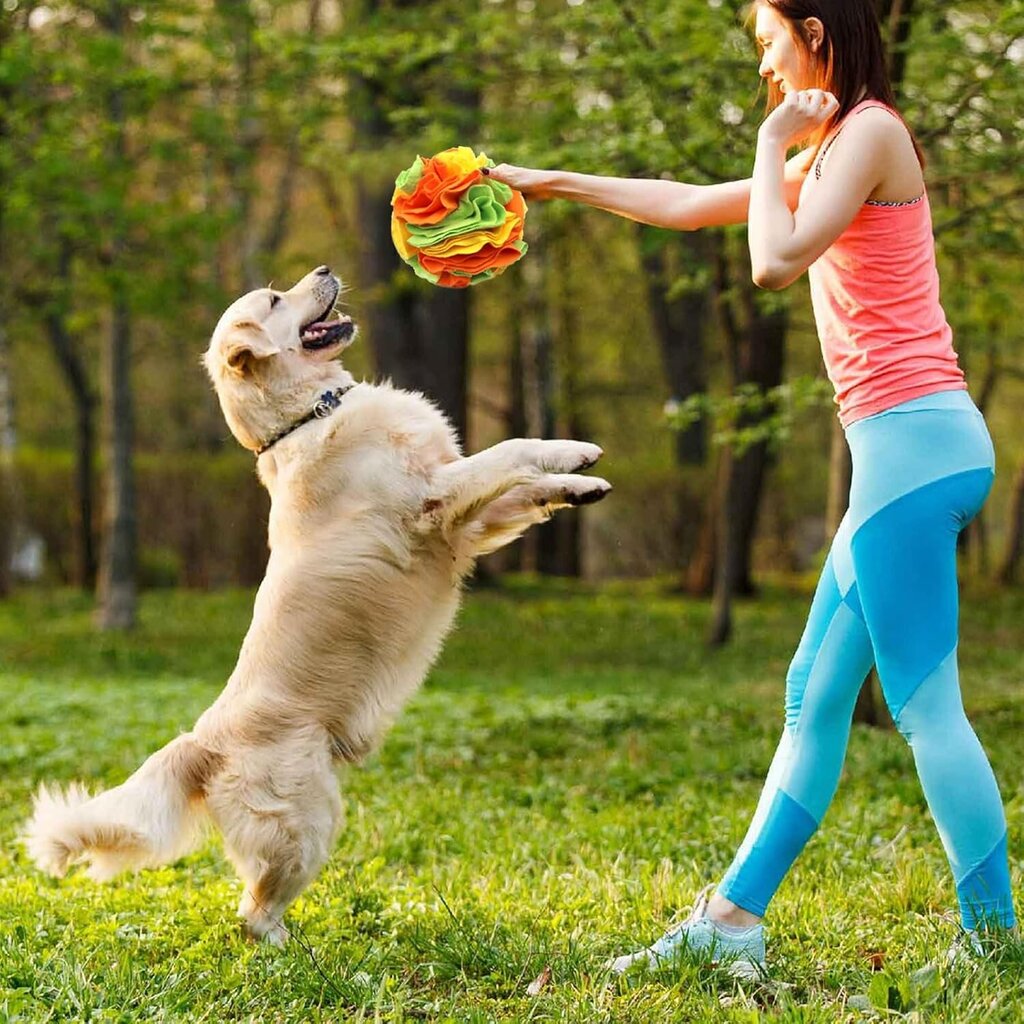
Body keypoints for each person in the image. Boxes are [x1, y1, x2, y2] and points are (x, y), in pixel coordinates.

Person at [487, 0, 1017, 978]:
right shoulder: (830, 154)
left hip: (915, 451)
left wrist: (776, 137)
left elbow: (774, 261)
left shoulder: (867, 134)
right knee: (811, 698)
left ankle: (993, 941)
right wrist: (550, 183)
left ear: (815, 33)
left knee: (925, 706)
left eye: (769, 45)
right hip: (902, 454)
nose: (766, 70)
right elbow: (692, 202)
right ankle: (731, 919)